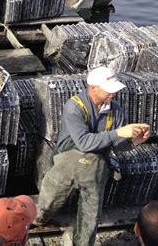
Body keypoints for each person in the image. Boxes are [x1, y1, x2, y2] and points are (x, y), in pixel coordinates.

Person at [35, 66, 151, 246]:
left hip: (96, 166)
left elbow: (118, 145)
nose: (113, 94)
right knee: (52, 195)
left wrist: (134, 141)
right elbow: (83, 143)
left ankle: (82, 242)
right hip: (67, 159)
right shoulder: (74, 107)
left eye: (114, 90)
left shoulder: (116, 110)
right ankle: (40, 217)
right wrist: (119, 132)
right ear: (93, 88)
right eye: (109, 90)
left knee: (91, 212)